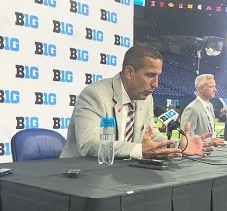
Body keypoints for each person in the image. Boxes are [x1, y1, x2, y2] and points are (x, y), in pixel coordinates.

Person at [60, 43, 214, 160]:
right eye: (150, 75)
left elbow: (152, 137)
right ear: (129, 72)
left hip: (119, 176)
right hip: (80, 178)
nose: (156, 84)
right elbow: (89, 144)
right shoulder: (95, 95)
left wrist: (178, 145)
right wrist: (139, 150)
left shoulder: (146, 99)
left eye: (158, 76)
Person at [180, 73, 227, 146]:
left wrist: (215, 139)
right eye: (211, 87)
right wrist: (210, 140)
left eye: (215, 86)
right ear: (201, 89)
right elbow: (187, 137)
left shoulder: (210, 106)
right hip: (197, 153)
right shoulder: (192, 109)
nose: (215, 90)